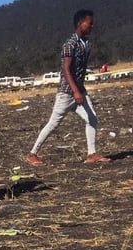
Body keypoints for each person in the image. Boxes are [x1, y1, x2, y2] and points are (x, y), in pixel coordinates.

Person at [26, 10, 110, 166]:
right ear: (80, 24)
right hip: (67, 92)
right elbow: (66, 69)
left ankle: (92, 154)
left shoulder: (85, 43)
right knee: (53, 123)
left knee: (92, 119)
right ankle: (32, 154)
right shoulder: (69, 44)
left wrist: (80, 90)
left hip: (79, 90)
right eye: (89, 23)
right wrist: (75, 91)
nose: (92, 25)